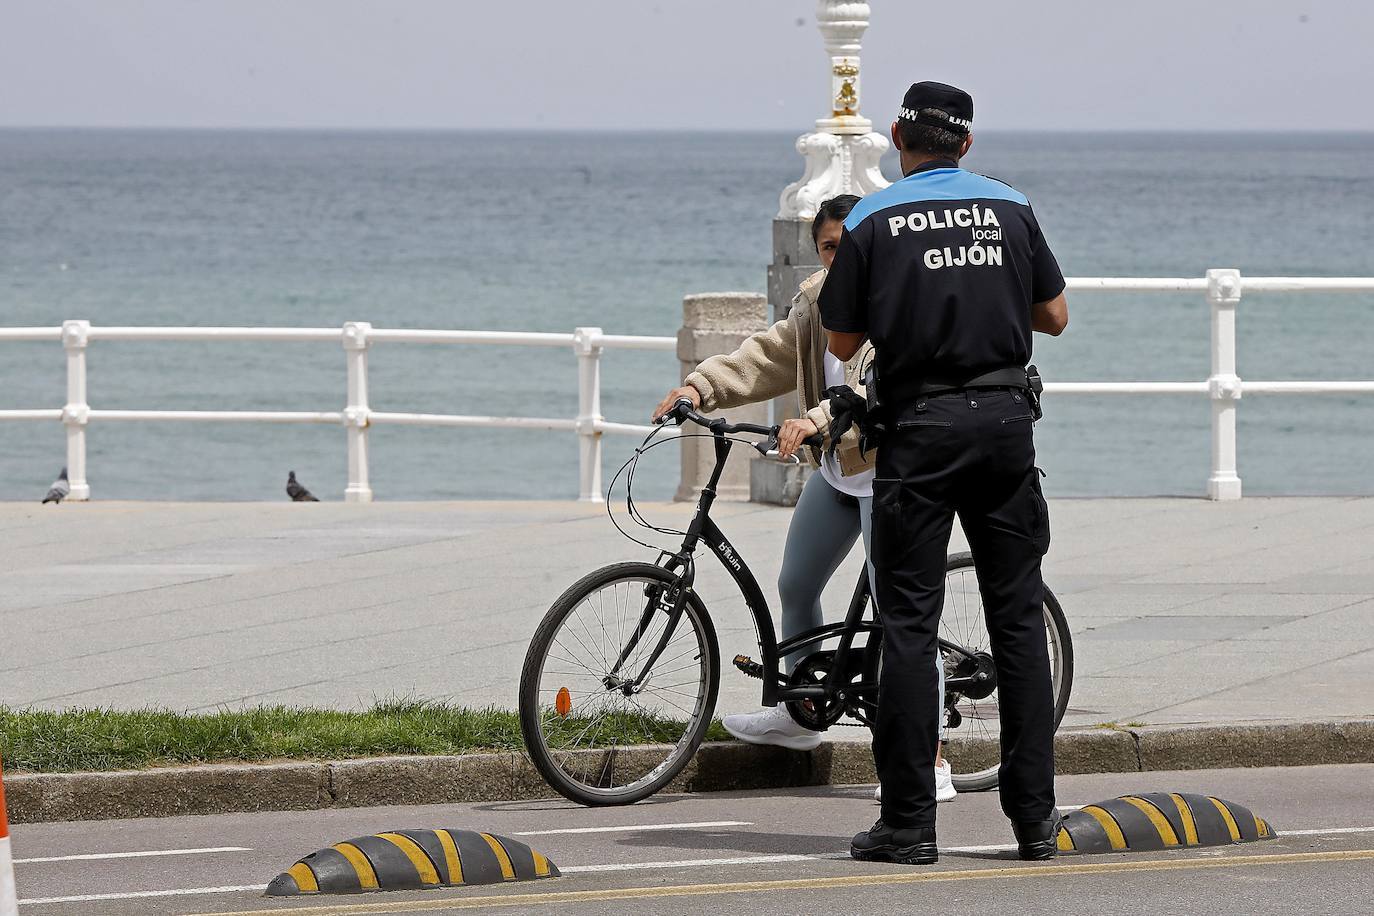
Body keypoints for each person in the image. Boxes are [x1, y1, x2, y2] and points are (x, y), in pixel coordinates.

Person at [819, 81, 1069, 865]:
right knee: (1019, 622)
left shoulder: (870, 217)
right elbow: (1055, 316)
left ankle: (910, 825)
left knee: (908, 626)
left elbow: (838, 340)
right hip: (1004, 427)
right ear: (967, 142)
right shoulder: (1010, 205)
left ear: (898, 135)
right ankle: (1034, 821)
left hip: (921, 431)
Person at [653, 195, 956, 803]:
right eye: (828, 247)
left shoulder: (895, 293)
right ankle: (801, 712)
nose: (838, 256)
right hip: (839, 472)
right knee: (797, 584)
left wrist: (817, 418)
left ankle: (933, 759)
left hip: (889, 475)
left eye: (849, 244)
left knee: (901, 614)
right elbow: (772, 354)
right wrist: (699, 386)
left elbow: (875, 382)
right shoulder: (817, 299)